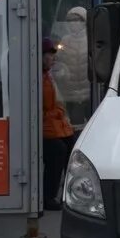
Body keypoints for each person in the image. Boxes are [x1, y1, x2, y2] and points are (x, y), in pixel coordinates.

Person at [42, 37, 75, 211]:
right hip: (46, 127)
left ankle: (67, 192)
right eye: (49, 55)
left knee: (71, 146)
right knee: (57, 151)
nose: (53, 58)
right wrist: (57, 113)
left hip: (54, 124)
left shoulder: (48, 75)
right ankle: (48, 196)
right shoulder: (38, 77)